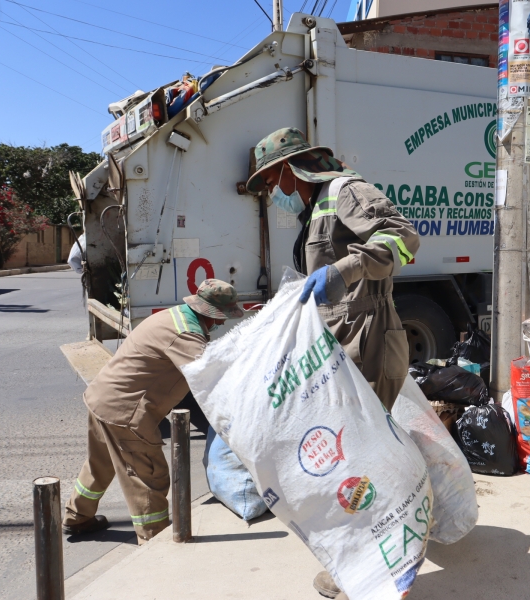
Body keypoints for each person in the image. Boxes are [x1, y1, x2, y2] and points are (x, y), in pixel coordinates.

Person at [246, 127, 420, 600]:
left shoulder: (344, 190)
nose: (272, 193)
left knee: (364, 470)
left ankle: (372, 575)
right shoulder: (315, 207)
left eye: (271, 182)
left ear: (289, 170)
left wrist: (344, 270)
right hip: (344, 349)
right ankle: (376, 568)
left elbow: (403, 237)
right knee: (356, 465)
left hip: (369, 341)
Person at [62, 279, 243, 544]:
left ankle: (77, 517)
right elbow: (212, 379)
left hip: (102, 398)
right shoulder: (186, 336)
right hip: (125, 412)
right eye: (221, 317)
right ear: (207, 312)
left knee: (99, 465)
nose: (222, 323)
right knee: (149, 479)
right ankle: (153, 541)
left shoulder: (175, 316)